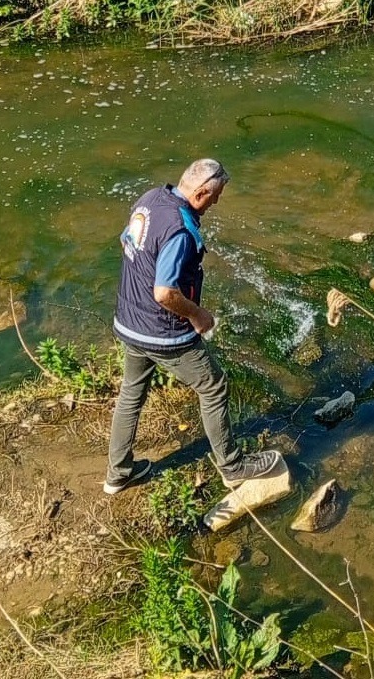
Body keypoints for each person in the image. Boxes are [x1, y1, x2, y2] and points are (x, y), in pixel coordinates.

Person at [104, 159, 279, 495]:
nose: (216, 203)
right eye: (215, 197)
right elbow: (165, 292)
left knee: (131, 392)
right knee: (213, 386)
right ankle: (232, 466)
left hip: (128, 322)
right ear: (200, 193)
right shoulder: (181, 232)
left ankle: (118, 473)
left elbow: (128, 243)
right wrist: (197, 315)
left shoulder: (150, 199)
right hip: (163, 332)